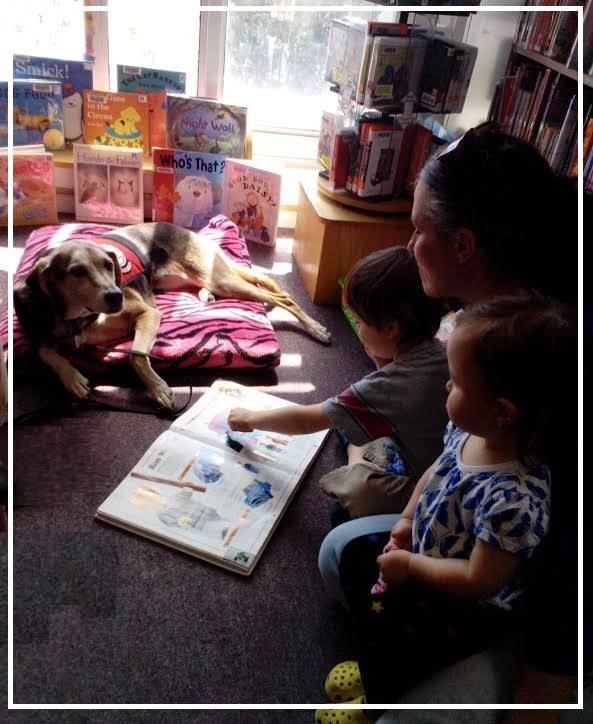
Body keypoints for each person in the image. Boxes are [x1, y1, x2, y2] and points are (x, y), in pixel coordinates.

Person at [318, 125, 580, 719]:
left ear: (464, 245)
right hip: (463, 543)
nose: (409, 244)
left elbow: (570, 585)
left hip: (517, 603)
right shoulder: (477, 325)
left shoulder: (549, 376)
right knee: (339, 552)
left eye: (417, 230)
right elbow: (449, 455)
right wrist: (410, 521)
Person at [229, 246, 450, 519]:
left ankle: (356, 461)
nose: (357, 329)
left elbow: (306, 420)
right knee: (348, 419)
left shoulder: (394, 384)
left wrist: (250, 419)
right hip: (438, 453)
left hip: (429, 487)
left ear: (391, 329)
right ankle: (357, 444)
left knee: (343, 508)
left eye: (359, 321)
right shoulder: (440, 350)